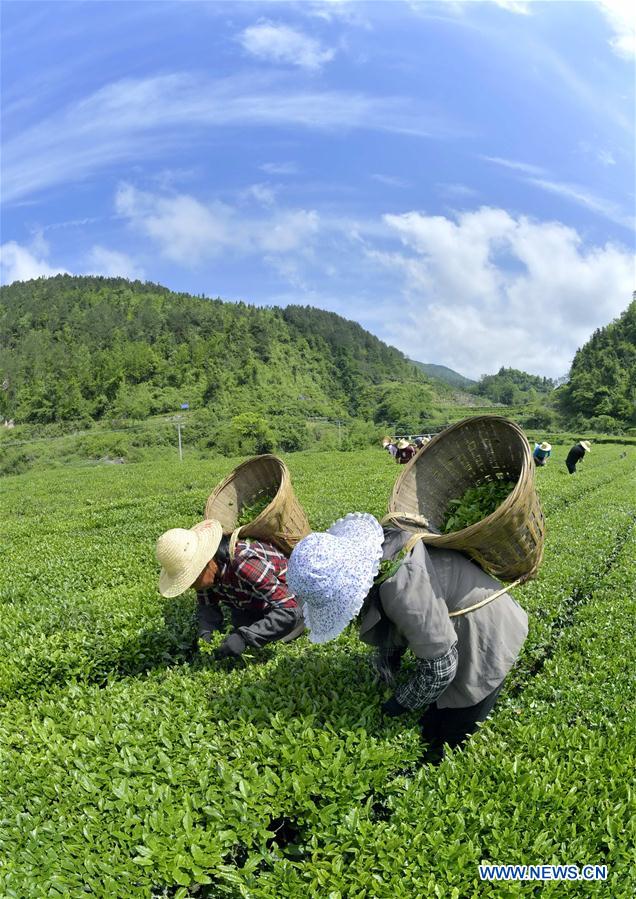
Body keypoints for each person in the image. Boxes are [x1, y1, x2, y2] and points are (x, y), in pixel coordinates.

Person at [287, 513, 528, 762]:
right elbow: (397, 622)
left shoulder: (402, 588)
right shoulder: (382, 555)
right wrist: (388, 663)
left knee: (449, 736)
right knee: (431, 720)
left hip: (488, 631)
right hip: (456, 620)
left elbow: (441, 668)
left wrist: (402, 702)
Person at [156, 519, 304, 659]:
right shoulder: (207, 576)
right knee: (237, 633)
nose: (192, 586)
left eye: (192, 578)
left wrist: (245, 638)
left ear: (207, 562)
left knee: (274, 635)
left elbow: (289, 609)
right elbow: (207, 608)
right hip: (251, 604)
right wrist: (206, 635)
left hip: (289, 602)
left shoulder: (243, 561)